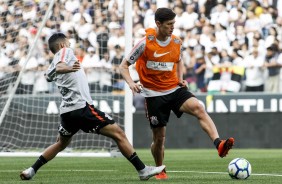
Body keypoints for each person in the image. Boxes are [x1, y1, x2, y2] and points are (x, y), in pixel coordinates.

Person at [20, 33, 165, 181]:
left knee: (60, 144)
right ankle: (142, 170)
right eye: (69, 43)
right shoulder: (65, 52)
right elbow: (60, 66)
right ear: (62, 45)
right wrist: (69, 67)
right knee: (118, 134)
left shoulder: (51, 65)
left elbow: (48, 76)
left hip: (67, 112)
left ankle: (32, 170)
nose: (70, 46)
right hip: (82, 108)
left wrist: (64, 68)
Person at [119, 8, 234, 180]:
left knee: (198, 107)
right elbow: (123, 66)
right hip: (153, 95)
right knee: (159, 139)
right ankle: (160, 169)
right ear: (158, 24)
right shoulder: (145, 43)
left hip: (174, 89)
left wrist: (180, 78)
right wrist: (130, 83)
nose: (173, 27)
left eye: (174, 24)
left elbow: (178, 61)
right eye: (169, 24)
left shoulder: (177, 42)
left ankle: (219, 144)